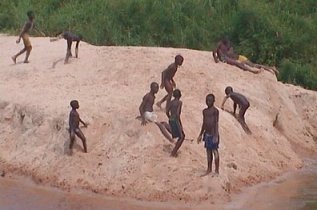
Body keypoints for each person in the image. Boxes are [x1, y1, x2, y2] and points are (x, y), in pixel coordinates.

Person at [197, 94, 220, 176]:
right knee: (208, 151)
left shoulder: (215, 111)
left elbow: (216, 123)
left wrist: (216, 135)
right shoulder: (204, 111)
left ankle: (217, 170)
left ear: (213, 101)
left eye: (210, 100)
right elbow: (204, 123)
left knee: (215, 151)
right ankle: (209, 169)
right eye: (207, 100)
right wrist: (200, 134)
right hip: (207, 134)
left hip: (213, 133)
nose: (208, 102)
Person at [158, 89, 185, 157]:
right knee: (182, 137)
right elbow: (178, 114)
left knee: (176, 133)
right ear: (179, 96)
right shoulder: (179, 103)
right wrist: (180, 123)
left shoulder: (171, 102)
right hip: (176, 119)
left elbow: (167, 111)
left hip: (171, 119)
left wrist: (170, 117)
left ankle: (174, 150)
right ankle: (174, 152)